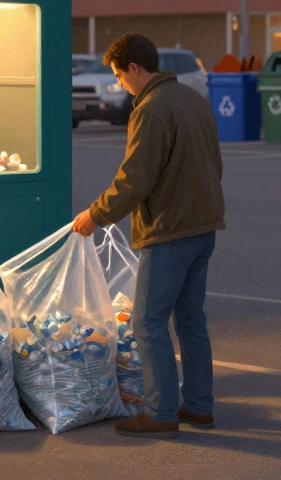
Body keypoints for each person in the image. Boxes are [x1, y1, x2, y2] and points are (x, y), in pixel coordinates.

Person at [71, 33, 225, 439]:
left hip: (169, 231)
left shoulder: (152, 109)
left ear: (136, 69)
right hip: (203, 225)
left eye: (121, 76)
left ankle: (159, 413)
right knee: (191, 320)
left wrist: (96, 215)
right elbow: (213, 163)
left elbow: (135, 178)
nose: (121, 84)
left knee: (148, 323)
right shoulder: (192, 100)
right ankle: (199, 406)